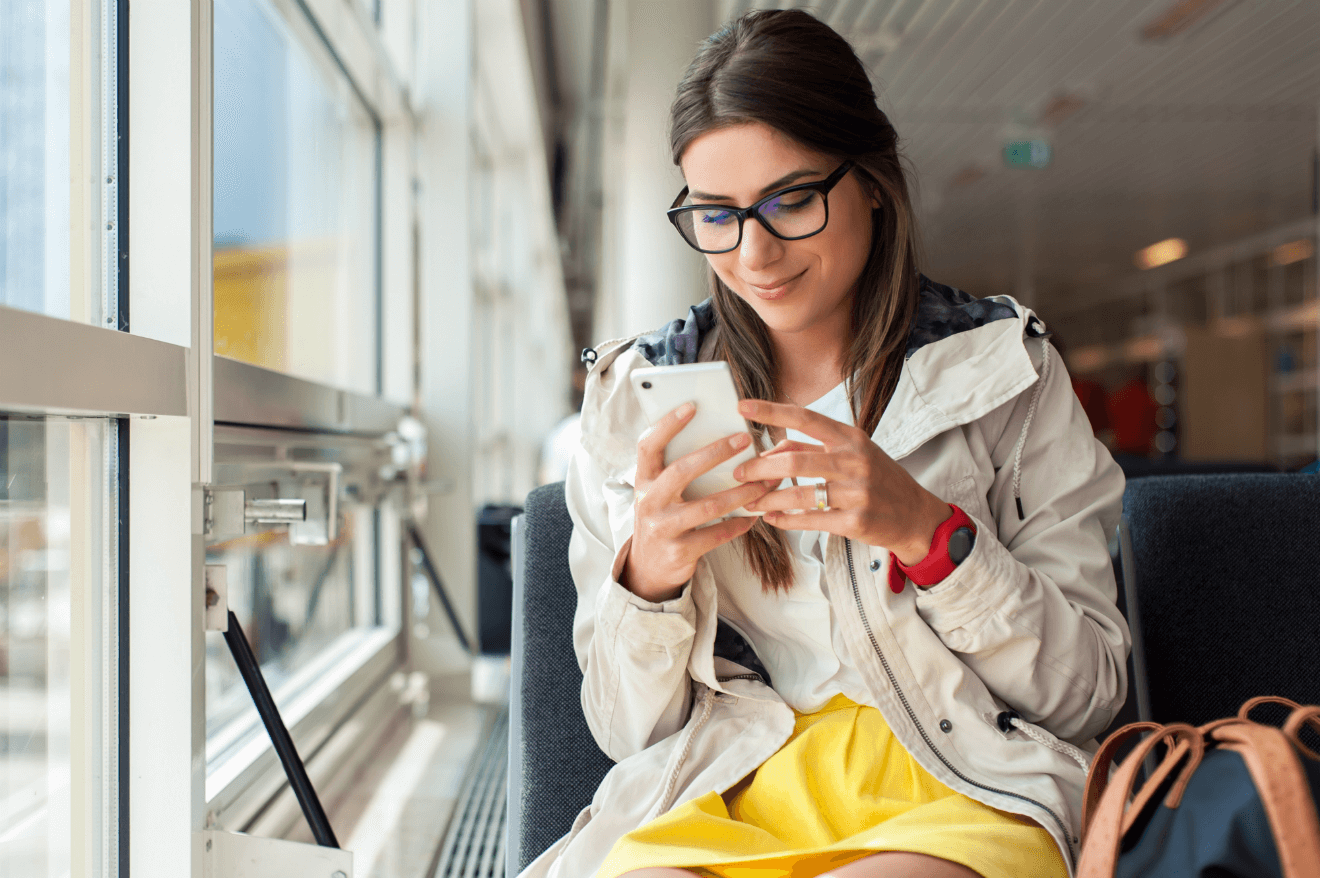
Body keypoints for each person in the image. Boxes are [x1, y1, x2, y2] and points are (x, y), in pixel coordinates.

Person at [521, 11, 1128, 878]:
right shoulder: (637, 402)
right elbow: (628, 732)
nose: (754, 253)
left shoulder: (1005, 374)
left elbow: (1087, 695)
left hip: (962, 778)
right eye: (716, 215)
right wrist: (650, 580)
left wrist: (930, 536)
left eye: (792, 201)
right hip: (728, 783)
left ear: (872, 182)